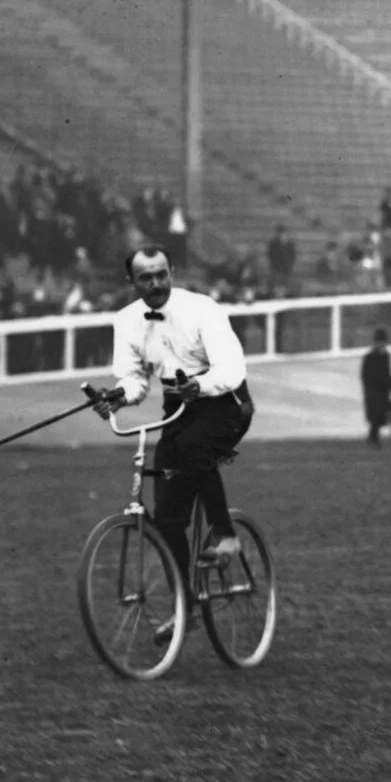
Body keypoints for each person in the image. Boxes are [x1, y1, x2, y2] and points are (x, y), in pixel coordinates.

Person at [91, 246, 256, 601]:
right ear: (131, 281)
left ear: (172, 272)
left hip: (226, 401)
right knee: (167, 518)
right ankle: (187, 605)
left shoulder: (202, 309)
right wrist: (117, 396)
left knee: (192, 448)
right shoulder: (126, 321)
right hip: (178, 407)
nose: (156, 283)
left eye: (161, 274)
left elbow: (231, 368)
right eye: (146, 277)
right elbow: (134, 379)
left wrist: (199, 386)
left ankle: (225, 536)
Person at [360, 328, 391, 446]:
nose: (382, 344)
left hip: (383, 391)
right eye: (380, 342)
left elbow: (387, 372)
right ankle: (373, 438)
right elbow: (366, 375)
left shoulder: (386, 356)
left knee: (386, 413)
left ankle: (374, 438)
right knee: (376, 415)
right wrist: (376, 385)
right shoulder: (369, 357)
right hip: (373, 391)